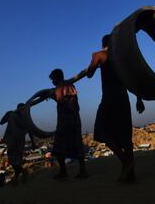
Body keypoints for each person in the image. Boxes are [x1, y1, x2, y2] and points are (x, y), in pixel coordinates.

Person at [87, 34, 145, 182]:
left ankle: (126, 161)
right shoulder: (122, 58)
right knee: (126, 136)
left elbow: (89, 74)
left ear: (103, 44)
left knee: (100, 131)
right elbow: (133, 79)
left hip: (109, 98)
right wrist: (139, 99)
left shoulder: (99, 54)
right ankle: (130, 175)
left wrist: (94, 63)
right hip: (123, 99)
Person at [49, 68, 88, 180]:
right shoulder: (71, 85)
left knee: (59, 147)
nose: (52, 82)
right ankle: (83, 171)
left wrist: (52, 96)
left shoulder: (60, 88)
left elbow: (60, 101)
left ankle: (63, 172)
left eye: (53, 79)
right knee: (77, 145)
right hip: (75, 120)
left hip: (65, 122)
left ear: (56, 78)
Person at [0, 103, 36, 185]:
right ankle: (21, 174)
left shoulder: (25, 119)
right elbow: (1, 122)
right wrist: (8, 114)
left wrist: (33, 143)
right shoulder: (13, 115)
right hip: (13, 142)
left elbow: (30, 131)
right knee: (13, 162)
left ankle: (18, 177)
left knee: (16, 162)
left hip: (17, 143)